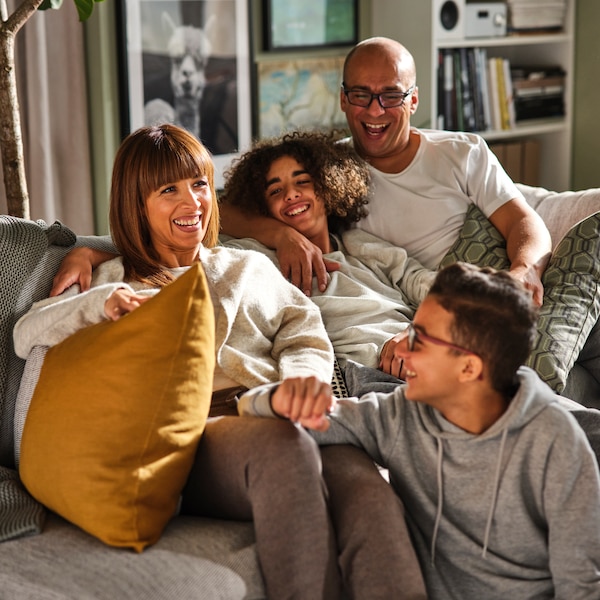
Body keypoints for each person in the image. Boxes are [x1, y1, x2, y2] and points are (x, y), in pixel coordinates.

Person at [14, 124, 426, 600]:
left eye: (200, 185)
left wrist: (300, 384)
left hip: (275, 410)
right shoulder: (109, 280)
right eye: (169, 190)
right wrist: (102, 303)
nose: (193, 203)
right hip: (195, 436)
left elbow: (302, 330)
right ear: (135, 203)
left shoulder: (244, 267)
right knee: (282, 448)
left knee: (367, 489)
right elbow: (27, 335)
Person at [239, 262, 600, 600]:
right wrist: (277, 399)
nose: (402, 349)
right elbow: (287, 418)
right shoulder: (400, 415)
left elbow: (580, 584)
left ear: (469, 368)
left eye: (419, 341)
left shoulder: (555, 443)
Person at [218, 37, 552, 308]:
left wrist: (525, 270)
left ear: (414, 101)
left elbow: (523, 220)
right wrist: (282, 235)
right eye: (362, 95)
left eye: (391, 95)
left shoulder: (463, 153)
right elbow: (220, 211)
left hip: (484, 300)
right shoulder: (326, 172)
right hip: (405, 310)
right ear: (344, 100)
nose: (375, 110)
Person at [219, 130, 436, 371]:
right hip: (362, 372)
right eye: (275, 191)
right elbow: (210, 215)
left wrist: (416, 333)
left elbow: (439, 291)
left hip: (421, 347)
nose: (291, 194)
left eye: (302, 181)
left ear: (328, 186)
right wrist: (281, 235)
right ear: (260, 207)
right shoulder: (259, 258)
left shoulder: (360, 245)